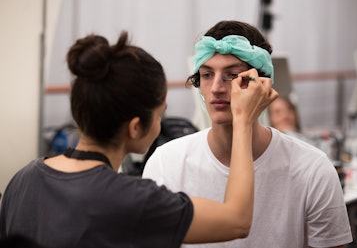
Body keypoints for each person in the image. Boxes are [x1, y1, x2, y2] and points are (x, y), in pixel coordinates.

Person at [0, 31, 277, 248]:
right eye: (160, 115)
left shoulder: (23, 179)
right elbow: (237, 221)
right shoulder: (133, 200)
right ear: (135, 127)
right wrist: (243, 121)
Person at [143, 20, 353, 248]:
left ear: (263, 84)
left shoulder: (312, 170)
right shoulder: (166, 164)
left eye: (232, 75)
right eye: (206, 75)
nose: (215, 88)